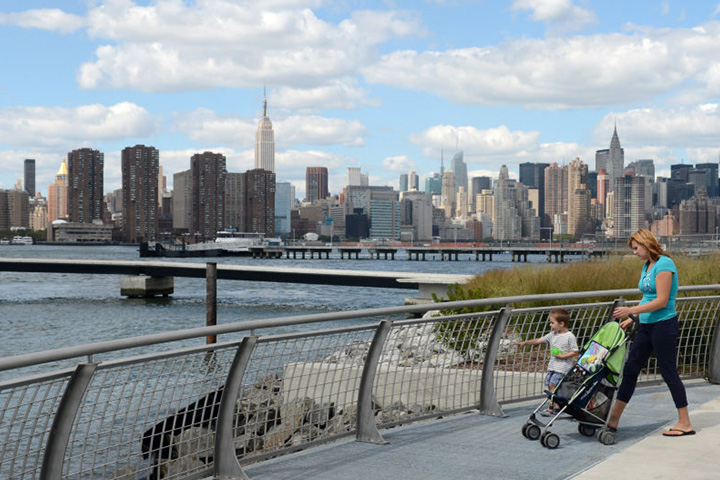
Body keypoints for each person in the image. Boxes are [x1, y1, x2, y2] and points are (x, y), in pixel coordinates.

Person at [608, 229, 695, 437]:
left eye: (636, 248)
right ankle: (612, 420)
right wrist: (631, 319)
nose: (635, 253)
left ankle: (685, 422)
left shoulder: (665, 264)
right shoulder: (647, 266)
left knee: (668, 372)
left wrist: (631, 310)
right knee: (630, 370)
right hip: (645, 327)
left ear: (646, 245)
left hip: (664, 325)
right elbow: (648, 298)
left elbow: (662, 300)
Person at [518, 308, 579, 415]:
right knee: (551, 386)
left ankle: (553, 406)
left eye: (552, 323)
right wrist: (525, 343)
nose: (550, 325)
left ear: (561, 323)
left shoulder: (570, 336)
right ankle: (558, 405)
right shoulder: (552, 335)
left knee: (552, 385)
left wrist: (563, 356)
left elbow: (575, 351)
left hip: (562, 368)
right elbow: (538, 340)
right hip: (552, 367)